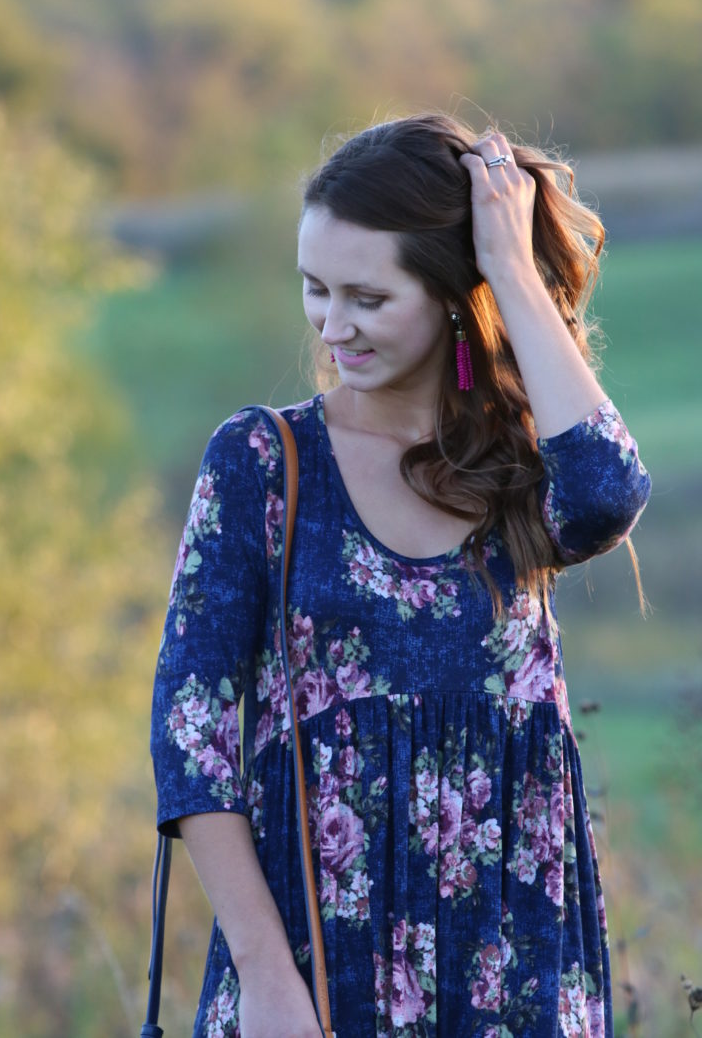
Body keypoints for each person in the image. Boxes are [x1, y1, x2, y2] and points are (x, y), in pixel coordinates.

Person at [150, 113, 651, 1038]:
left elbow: (609, 492)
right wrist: (264, 979)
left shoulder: (517, 469)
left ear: (451, 295)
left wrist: (506, 266)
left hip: (514, 965)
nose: (332, 326)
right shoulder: (263, 463)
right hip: (312, 969)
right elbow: (192, 739)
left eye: (367, 299)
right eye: (314, 289)